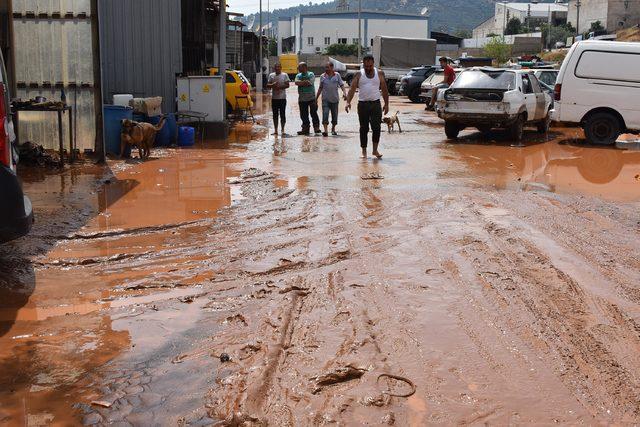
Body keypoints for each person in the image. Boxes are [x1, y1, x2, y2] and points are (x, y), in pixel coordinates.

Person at [345, 54, 389, 159]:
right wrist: (348, 102)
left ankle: (375, 150)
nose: (368, 68)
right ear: (363, 65)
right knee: (363, 128)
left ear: (373, 63)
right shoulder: (359, 74)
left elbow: (384, 90)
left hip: (375, 104)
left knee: (376, 127)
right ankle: (364, 151)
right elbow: (352, 89)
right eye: (366, 66)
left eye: (370, 66)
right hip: (363, 104)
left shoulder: (379, 73)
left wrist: (386, 104)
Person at [316, 61, 347, 137]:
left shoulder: (337, 75)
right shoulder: (322, 76)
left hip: (335, 99)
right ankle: (325, 131)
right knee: (325, 114)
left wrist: (344, 93)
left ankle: (333, 129)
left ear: (332, 67)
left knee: (334, 116)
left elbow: (342, 85)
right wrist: (316, 98)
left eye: (327, 67)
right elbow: (320, 88)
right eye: (325, 67)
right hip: (325, 99)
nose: (326, 69)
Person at [294, 62, 320, 135]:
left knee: (313, 113)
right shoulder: (298, 75)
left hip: (311, 98)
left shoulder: (311, 74)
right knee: (303, 115)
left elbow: (310, 82)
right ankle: (305, 129)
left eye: (299, 67)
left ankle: (316, 128)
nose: (298, 68)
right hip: (302, 98)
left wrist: (301, 82)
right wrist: (304, 82)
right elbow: (296, 82)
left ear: (304, 67)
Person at [266, 63, 290, 136]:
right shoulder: (271, 75)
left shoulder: (285, 75)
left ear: (281, 68)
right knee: (275, 115)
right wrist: (272, 85)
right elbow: (267, 85)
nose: (277, 68)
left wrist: (280, 87)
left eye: (279, 67)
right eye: (276, 67)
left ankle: (283, 130)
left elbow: (288, 85)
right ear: (274, 68)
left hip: (282, 98)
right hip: (274, 98)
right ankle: (276, 130)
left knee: (283, 114)